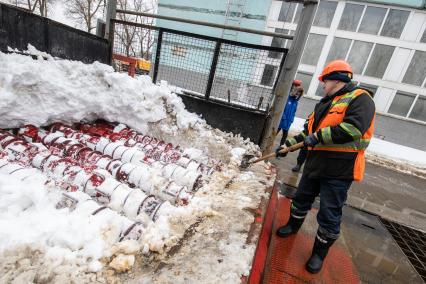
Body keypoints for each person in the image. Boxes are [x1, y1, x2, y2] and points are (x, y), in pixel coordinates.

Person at [275, 60, 375, 274]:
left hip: (339, 171)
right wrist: (287, 146)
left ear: (336, 79)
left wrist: (317, 136)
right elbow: (308, 133)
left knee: (330, 214)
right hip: (314, 166)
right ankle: (293, 226)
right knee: (300, 200)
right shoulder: (324, 104)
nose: (322, 85)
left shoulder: (361, 98)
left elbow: (352, 129)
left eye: (324, 80)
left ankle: (318, 254)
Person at [276, 80, 304, 146]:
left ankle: (280, 150)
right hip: (282, 121)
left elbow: (294, 112)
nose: (297, 95)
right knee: (274, 134)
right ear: (294, 92)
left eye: (299, 94)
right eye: (297, 93)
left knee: (285, 136)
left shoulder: (295, 102)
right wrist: (283, 118)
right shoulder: (287, 98)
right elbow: (282, 109)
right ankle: (267, 146)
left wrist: (291, 120)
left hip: (288, 122)